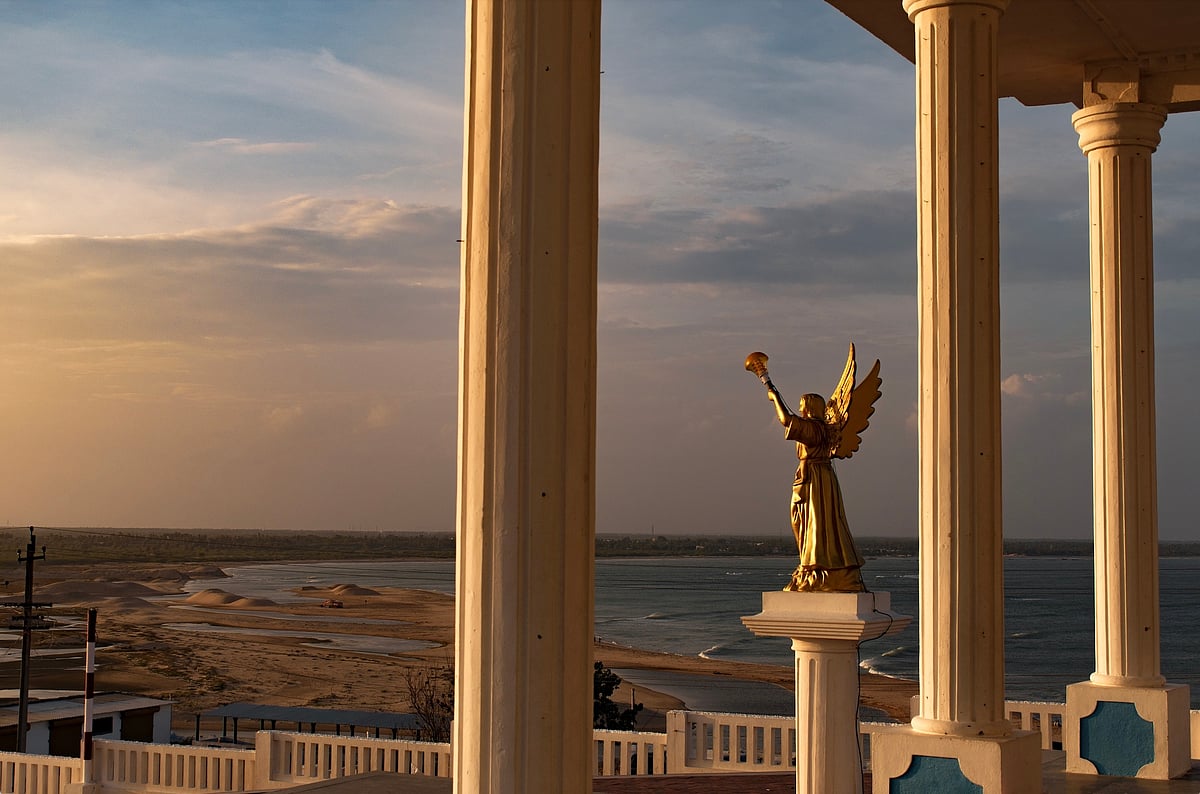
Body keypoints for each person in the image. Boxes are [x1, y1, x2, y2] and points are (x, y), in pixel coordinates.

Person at [766, 386, 866, 592]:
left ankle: (817, 567)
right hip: (814, 476)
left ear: (810, 408)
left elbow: (785, 419)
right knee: (805, 520)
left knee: (814, 522)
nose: (801, 411)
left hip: (815, 478)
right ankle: (810, 565)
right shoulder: (817, 428)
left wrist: (775, 396)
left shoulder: (815, 428)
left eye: (803, 407)